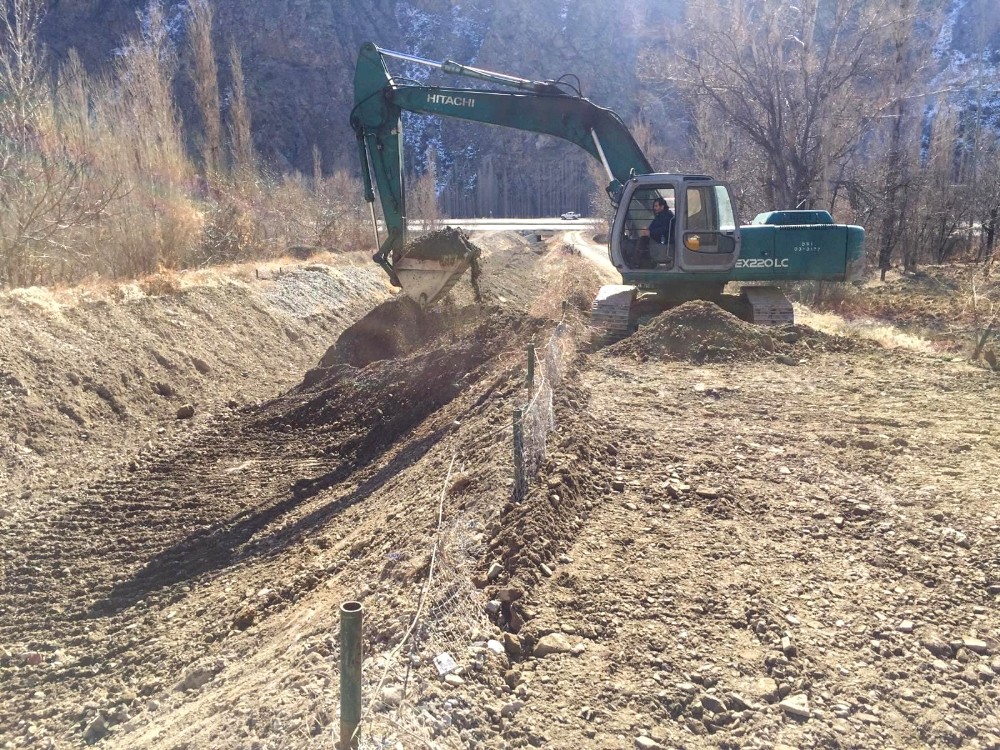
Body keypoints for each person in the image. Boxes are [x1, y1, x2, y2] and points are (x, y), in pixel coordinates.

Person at [635, 197, 674, 267]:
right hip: (657, 238)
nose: (654, 208)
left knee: (642, 241)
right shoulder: (661, 215)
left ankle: (637, 262)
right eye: (654, 206)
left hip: (662, 240)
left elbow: (664, 229)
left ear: (662, 207)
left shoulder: (665, 217)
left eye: (656, 206)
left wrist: (650, 232)